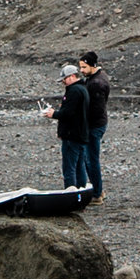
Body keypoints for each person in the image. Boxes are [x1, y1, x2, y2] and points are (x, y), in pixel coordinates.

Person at [45, 63, 92, 191]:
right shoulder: (83, 89)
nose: (63, 83)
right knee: (79, 166)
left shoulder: (74, 91)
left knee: (70, 168)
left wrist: (53, 114)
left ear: (71, 77)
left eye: (64, 79)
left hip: (72, 135)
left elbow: (69, 113)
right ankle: (81, 193)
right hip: (81, 134)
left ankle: (70, 194)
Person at [79, 50, 111, 204]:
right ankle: (97, 190)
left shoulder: (96, 83)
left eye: (84, 67)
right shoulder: (95, 78)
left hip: (94, 126)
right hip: (96, 124)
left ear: (92, 66)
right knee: (89, 158)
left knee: (91, 160)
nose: (81, 71)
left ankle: (97, 194)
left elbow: (96, 109)